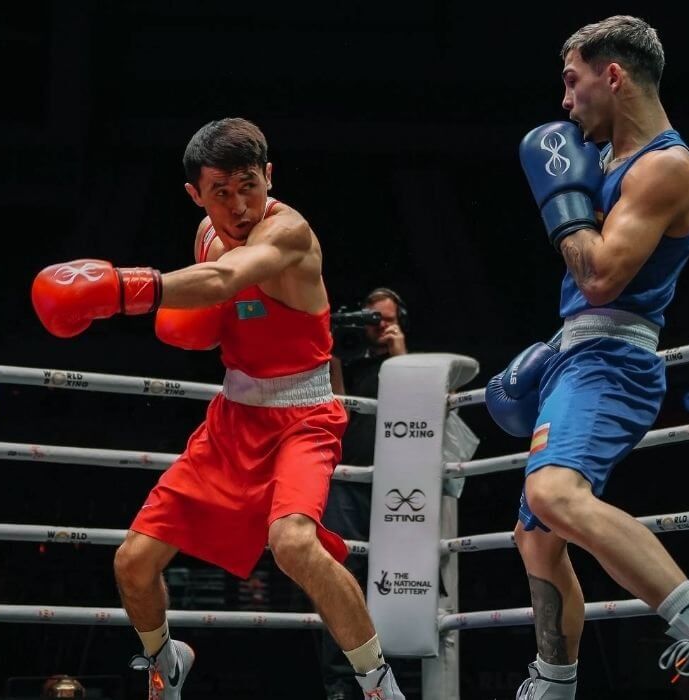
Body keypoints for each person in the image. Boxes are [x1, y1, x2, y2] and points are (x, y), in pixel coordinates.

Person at [30, 117, 404, 700]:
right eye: (221, 192)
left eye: (249, 185)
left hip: (304, 417)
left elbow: (227, 279)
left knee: (294, 544)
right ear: (196, 195)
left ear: (269, 176)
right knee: (133, 562)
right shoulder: (206, 235)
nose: (239, 206)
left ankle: (379, 685)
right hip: (234, 416)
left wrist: (120, 289)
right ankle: (165, 665)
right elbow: (218, 302)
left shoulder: (289, 233)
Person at [483, 15, 689, 700]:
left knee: (553, 494)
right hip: (577, 352)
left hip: (612, 359)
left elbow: (600, 278)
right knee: (536, 535)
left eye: (572, 81)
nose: (565, 102)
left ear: (612, 75)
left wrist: (562, 202)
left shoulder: (665, 167)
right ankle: (554, 683)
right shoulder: (608, 163)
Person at [322, 287, 409, 699]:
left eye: (386, 319)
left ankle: (390, 679)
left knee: (395, 577)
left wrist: (399, 353)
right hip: (347, 478)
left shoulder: (406, 366)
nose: (378, 326)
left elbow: (413, 410)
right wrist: (334, 357)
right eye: (372, 318)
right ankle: (341, 683)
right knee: (343, 573)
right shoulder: (349, 361)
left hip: (397, 485)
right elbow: (337, 413)